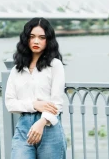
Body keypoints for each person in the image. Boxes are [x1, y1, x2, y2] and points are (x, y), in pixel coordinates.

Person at [5, 18, 67, 158]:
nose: (36, 41)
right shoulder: (17, 69)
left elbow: (56, 103)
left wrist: (41, 123)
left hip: (49, 127)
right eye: (32, 37)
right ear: (26, 39)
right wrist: (34, 104)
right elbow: (10, 103)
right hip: (24, 128)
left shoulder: (55, 65)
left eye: (41, 37)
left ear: (48, 40)